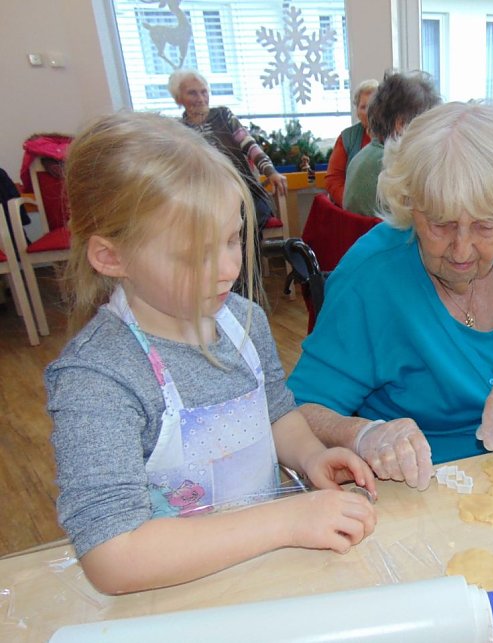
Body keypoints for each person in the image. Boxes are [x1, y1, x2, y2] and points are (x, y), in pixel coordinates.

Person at [47, 111, 376, 595]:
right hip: (175, 597)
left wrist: (310, 457)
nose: (226, 269)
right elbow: (112, 556)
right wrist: (286, 520)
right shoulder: (97, 377)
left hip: (269, 571)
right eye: (193, 255)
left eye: (231, 239)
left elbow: (276, 413)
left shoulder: (243, 321)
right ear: (111, 256)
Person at [289, 102, 493, 490]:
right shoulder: (370, 278)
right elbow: (298, 409)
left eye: (485, 225)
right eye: (440, 224)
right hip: (426, 491)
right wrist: (363, 434)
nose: (462, 250)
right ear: (411, 206)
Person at [169, 69, 288, 297]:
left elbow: (249, 145)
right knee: (212, 228)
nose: (201, 98)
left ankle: (248, 289)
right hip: (205, 198)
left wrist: (270, 171)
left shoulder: (223, 115)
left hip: (245, 191)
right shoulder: (178, 130)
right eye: (192, 93)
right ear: (178, 98)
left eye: (204, 91)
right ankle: (220, 286)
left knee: (245, 223)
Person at [343, 70, 440, 216]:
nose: (434, 133)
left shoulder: (361, 157)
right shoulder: (398, 168)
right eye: (429, 123)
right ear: (401, 125)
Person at [325, 79, 378, 207]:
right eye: (363, 107)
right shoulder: (347, 137)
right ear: (357, 112)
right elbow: (334, 179)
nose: (369, 112)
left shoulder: (396, 135)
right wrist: (351, 203)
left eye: (373, 106)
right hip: (351, 207)